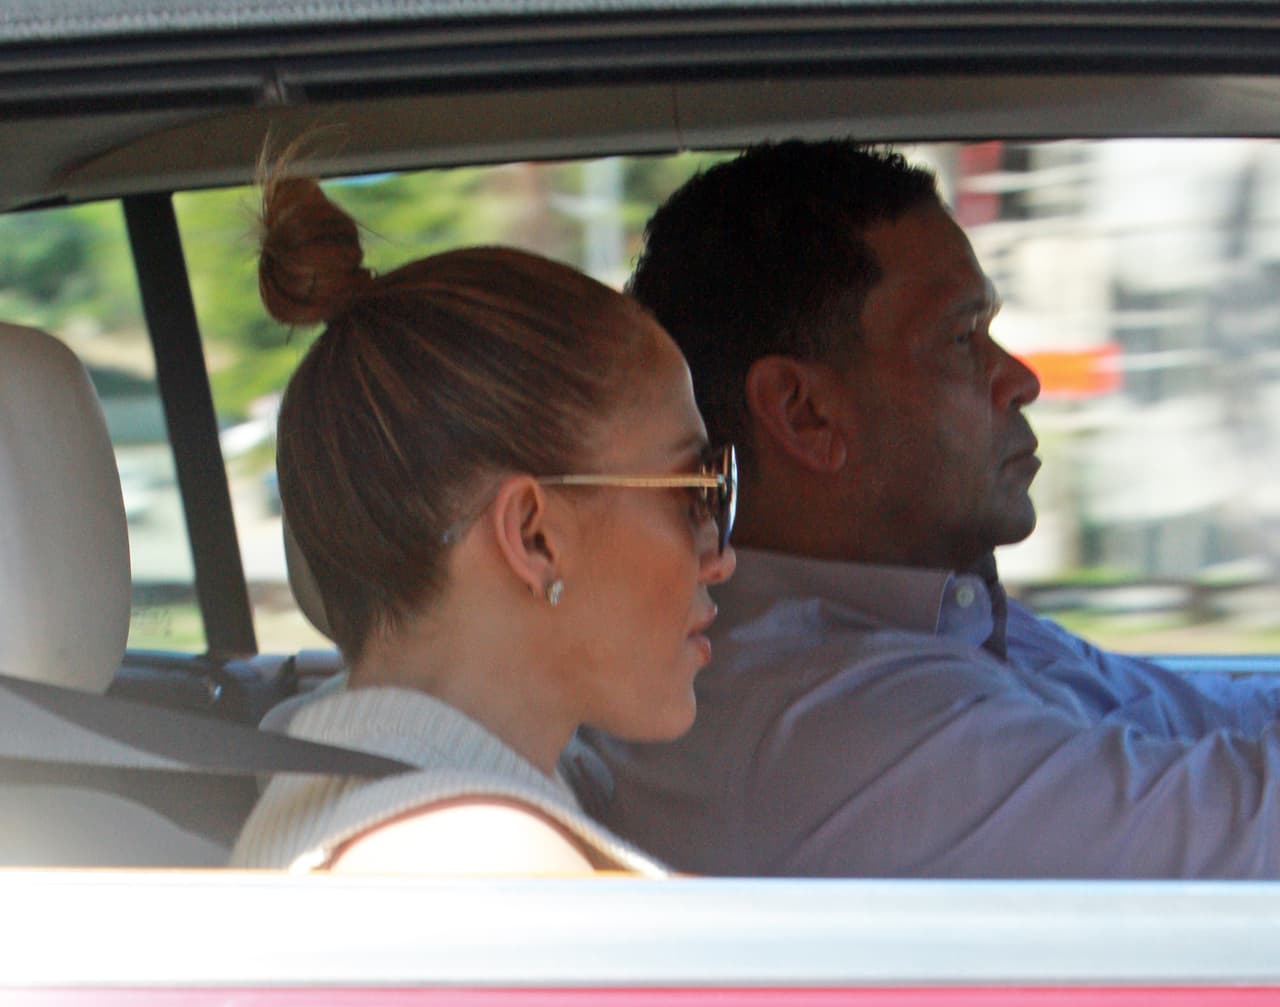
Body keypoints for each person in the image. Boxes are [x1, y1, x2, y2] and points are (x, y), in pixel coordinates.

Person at [585, 139, 1280, 879]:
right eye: (960, 338)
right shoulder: (823, 725)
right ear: (804, 412)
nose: (1019, 379)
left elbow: (1209, 714)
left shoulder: (930, 617)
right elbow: (1245, 822)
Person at [232, 164, 736, 876]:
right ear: (534, 536)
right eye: (697, 490)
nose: (720, 555)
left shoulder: (360, 802)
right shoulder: (485, 857)